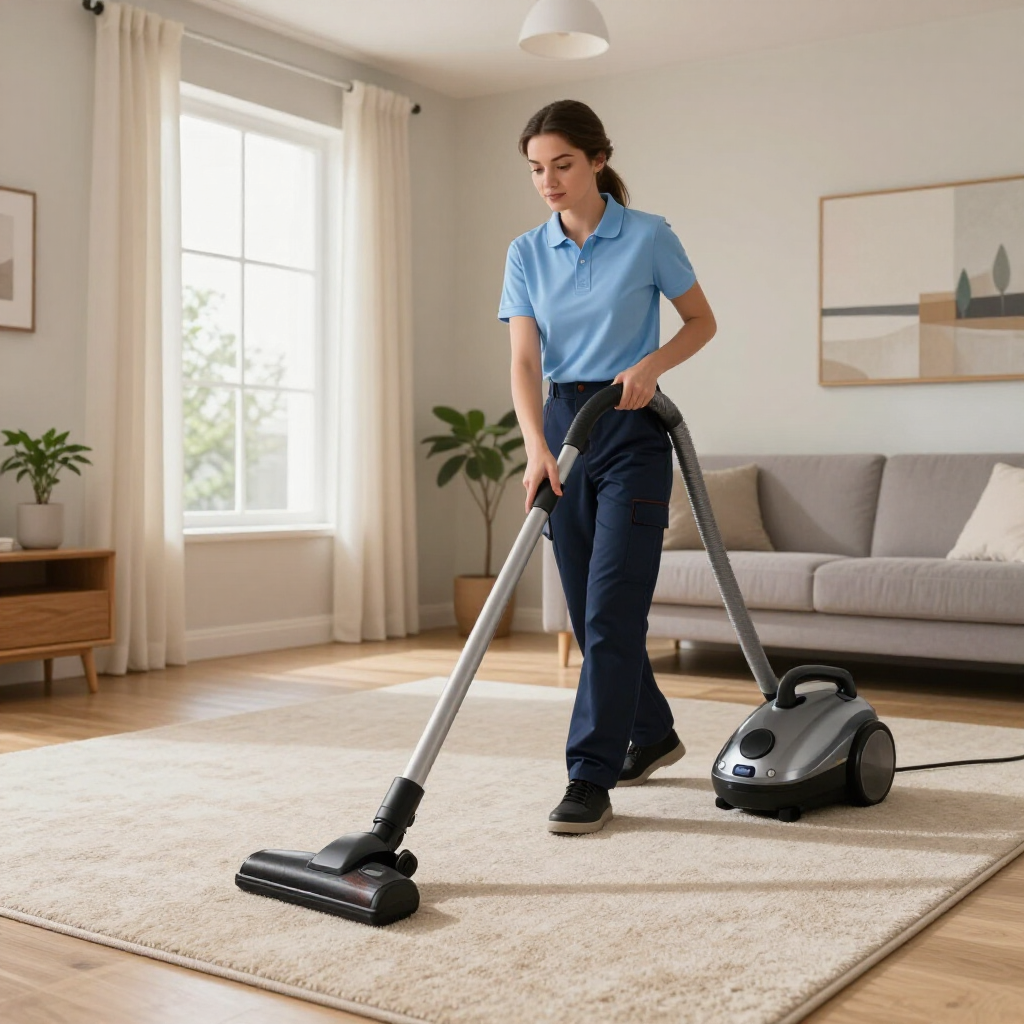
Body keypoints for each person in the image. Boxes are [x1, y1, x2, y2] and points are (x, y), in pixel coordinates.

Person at [498, 99, 718, 834]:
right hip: (562, 434)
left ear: (597, 159)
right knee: (596, 619)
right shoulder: (525, 252)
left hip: (631, 432)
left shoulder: (648, 235)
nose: (549, 181)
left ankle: (589, 775)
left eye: (562, 164)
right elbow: (524, 361)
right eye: (536, 169)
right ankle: (652, 733)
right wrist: (535, 448)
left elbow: (701, 321)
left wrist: (650, 367)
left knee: (613, 607)